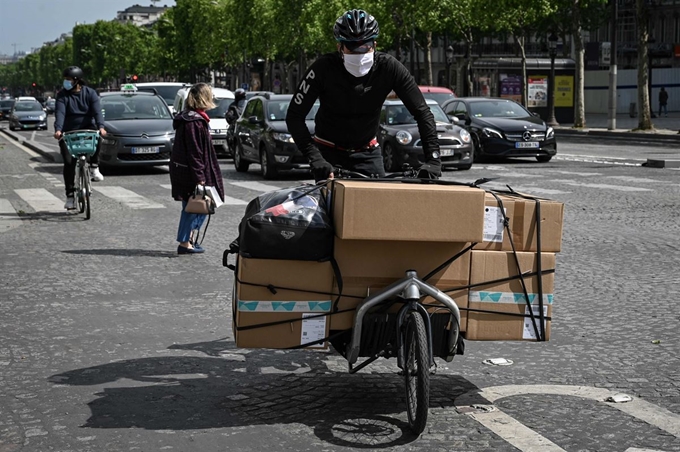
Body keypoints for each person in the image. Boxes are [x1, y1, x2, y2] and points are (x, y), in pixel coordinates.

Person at [286, 9, 441, 181]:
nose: (359, 55)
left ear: (375, 45)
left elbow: (422, 112)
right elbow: (294, 116)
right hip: (328, 153)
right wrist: (315, 158)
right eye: (352, 49)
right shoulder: (322, 69)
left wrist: (433, 159)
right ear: (340, 47)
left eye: (365, 47)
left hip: (368, 152)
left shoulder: (390, 68)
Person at [169, 83, 225, 255]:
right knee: (194, 206)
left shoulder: (193, 118)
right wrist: (200, 177)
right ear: (204, 98)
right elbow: (195, 152)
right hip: (191, 171)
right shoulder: (193, 122)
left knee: (197, 205)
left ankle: (189, 240)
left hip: (187, 169)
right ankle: (185, 243)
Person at [53, 66, 107, 210]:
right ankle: (70, 196)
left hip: (88, 128)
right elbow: (60, 113)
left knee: (98, 137)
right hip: (69, 132)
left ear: (77, 80)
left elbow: (97, 112)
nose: (66, 82)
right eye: (65, 79)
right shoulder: (62, 95)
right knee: (69, 162)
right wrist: (58, 130)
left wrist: (101, 127)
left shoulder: (90, 93)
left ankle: (94, 167)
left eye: (68, 80)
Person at [226, 88, 246, 154]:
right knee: (229, 132)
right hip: (236, 124)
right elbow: (229, 115)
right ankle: (231, 147)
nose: (241, 99)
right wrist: (231, 117)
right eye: (240, 97)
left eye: (242, 97)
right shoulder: (233, 106)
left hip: (245, 124)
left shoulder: (247, 104)